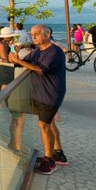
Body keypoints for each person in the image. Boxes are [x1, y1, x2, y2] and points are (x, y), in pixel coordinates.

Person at [9, 25, 68, 175]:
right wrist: (14, 58)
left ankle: (49, 161)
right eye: (32, 34)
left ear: (46, 35)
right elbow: (24, 62)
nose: (33, 37)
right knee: (49, 123)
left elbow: (41, 70)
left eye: (36, 34)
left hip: (50, 95)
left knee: (44, 126)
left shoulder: (54, 52)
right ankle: (58, 153)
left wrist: (19, 61)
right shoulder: (37, 51)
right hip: (39, 94)